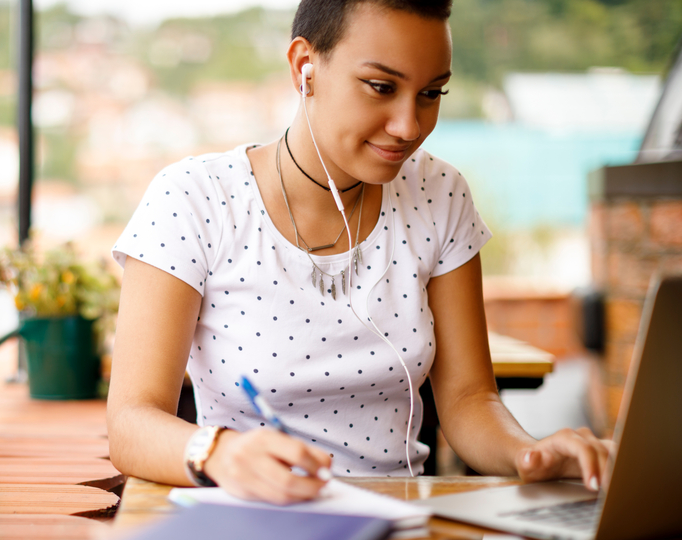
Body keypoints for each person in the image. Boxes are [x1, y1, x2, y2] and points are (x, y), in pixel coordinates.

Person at [106, 0, 612, 505]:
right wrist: (218, 453)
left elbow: (467, 399)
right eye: (382, 87)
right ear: (305, 66)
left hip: (403, 519)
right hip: (254, 516)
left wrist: (531, 454)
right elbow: (131, 423)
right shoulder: (194, 198)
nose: (409, 126)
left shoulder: (440, 193)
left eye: (432, 93)